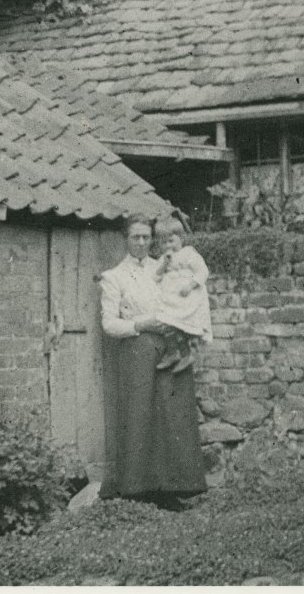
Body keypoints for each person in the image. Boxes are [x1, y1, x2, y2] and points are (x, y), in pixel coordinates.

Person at [97, 214, 208, 509]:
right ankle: (136, 491)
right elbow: (109, 324)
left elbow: (185, 295)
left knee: (173, 417)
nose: (143, 243)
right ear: (126, 239)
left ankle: (172, 490)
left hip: (171, 348)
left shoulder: (164, 266)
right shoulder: (114, 277)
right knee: (139, 416)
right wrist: (141, 325)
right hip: (137, 350)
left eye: (147, 237)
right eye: (136, 237)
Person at [152, 217, 213, 374]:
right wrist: (164, 264)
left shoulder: (188, 254)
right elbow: (156, 277)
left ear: (181, 238)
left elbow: (203, 271)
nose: (168, 246)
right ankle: (174, 352)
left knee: (181, 325)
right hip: (171, 297)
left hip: (186, 296)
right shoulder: (162, 259)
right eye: (163, 243)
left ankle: (186, 354)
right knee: (166, 322)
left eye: (171, 241)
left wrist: (190, 285)